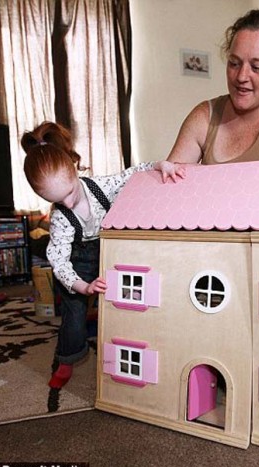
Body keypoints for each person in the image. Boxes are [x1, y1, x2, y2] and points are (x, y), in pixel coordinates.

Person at [21, 121, 185, 389]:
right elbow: (59, 261)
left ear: (74, 168)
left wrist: (161, 165)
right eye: (57, 200)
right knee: (73, 314)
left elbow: (133, 173)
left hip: (109, 251)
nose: (67, 203)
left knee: (127, 298)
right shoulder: (60, 219)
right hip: (76, 266)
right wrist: (82, 287)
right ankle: (66, 359)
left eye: (70, 192)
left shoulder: (100, 186)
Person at [167, 7, 259, 165]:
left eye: (256, 67)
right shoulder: (204, 116)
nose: (241, 77)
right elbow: (171, 177)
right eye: (234, 63)